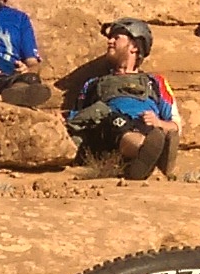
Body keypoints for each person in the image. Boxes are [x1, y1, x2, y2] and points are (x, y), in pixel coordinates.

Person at [66, 18, 181, 180]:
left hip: (146, 130)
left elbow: (176, 126)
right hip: (108, 138)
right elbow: (76, 122)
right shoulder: (93, 84)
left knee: (160, 133)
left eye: (116, 38)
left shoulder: (156, 82)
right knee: (110, 116)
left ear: (134, 46)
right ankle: (145, 152)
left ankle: (146, 157)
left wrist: (158, 123)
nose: (110, 41)